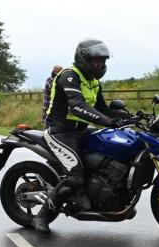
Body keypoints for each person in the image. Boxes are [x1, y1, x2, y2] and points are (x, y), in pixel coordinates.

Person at [32, 38, 126, 234]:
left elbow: (102, 108)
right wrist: (107, 121)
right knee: (76, 178)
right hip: (60, 131)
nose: (101, 64)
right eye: (97, 61)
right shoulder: (69, 76)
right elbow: (77, 106)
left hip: (81, 131)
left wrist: (127, 117)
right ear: (83, 59)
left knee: (108, 155)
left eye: (103, 61)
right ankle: (42, 215)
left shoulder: (93, 81)